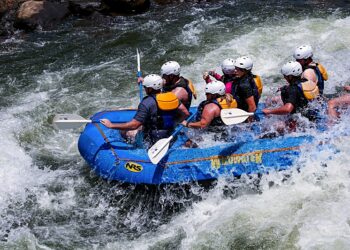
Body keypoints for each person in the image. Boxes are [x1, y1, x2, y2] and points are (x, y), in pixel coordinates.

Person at [101, 74, 189, 145]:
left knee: (124, 131)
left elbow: (134, 125)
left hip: (153, 140)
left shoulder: (147, 102)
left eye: (145, 87)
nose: (144, 89)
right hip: (170, 135)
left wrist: (111, 125)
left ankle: (133, 146)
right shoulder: (171, 97)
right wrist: (175, 122)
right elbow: (185, 113)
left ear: (150, 89)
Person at [262, 61, 319, 131]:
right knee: (272, 99)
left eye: (285, 76)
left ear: (290, 76)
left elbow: (287, 109)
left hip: (298, 124)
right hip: (311, 119)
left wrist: (269, 111)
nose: (284, 77)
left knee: (270, 127)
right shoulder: (305, 81)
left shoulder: (292, 89)